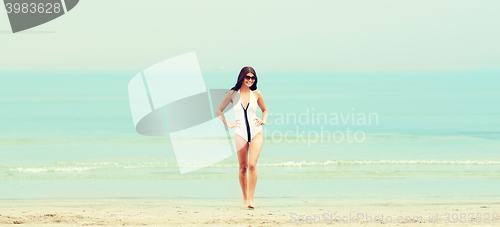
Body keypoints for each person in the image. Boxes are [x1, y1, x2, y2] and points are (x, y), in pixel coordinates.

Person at [216, 66, 268, 209]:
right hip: (240, 133)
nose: (250, 80)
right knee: (243, 167)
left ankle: (251, 200)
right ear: (242, 78)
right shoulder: (233, 94)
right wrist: (229, 124)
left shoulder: (256, 93)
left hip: (256, 131)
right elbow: (219, 110)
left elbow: (265, 109)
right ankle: (245, 199)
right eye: (248, 77)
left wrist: (263, 120)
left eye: (253, 77)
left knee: (252, 165)